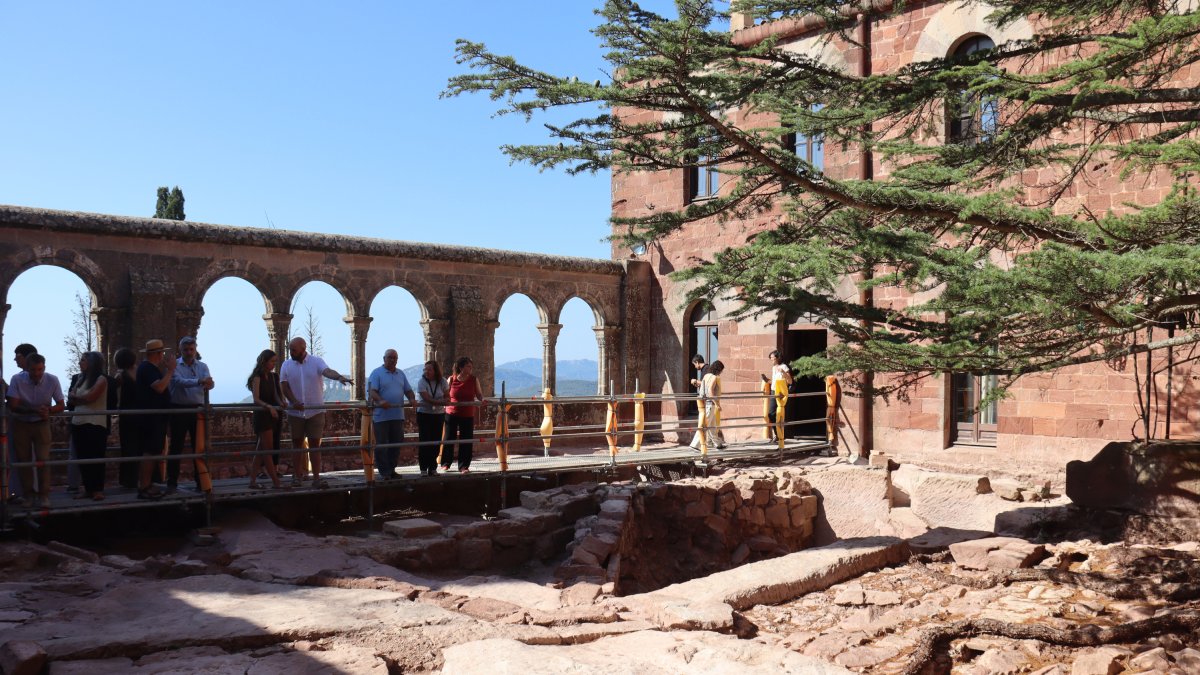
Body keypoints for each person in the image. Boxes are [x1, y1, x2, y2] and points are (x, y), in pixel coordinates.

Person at [280, 337, 352, 489]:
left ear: (303, 349)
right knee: (297, 444)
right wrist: (294, 402)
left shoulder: (316, 361)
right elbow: (284, 386)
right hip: (295, 412)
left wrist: (338, 377)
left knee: (315, 445)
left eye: (294, 350)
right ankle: (297, 476)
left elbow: (327, 371)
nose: (291, 352)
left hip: (315, 411)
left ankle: (316, 478)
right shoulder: (286, 365)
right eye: (290, 349)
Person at [6, 353, 65, 508]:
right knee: (23, 460)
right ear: (27, 369)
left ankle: (44, 495)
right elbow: (13, 404)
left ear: (44, 367)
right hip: (21, 424)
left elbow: (61, 404)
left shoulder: (52, 380)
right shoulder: (17, 379)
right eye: (33, 370)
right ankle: (29, 495)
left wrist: (49, 410)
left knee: (43, 460)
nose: (37, 373)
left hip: (42, 423)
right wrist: (33, 410)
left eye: (40, 369)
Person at [167, 336, 214, 494]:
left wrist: (208, 383)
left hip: (197, 409)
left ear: (195, 349)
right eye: (186, 350)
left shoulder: (202, 366)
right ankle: (171, 482)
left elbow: (208, 382)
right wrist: (199, 381)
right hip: (179, 409)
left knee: (199, 447)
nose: (188, 352)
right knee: (176, 447)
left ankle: (201, 482)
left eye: (191, 349)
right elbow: (179, 382)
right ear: (181, 350)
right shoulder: (176, 367)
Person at [367, 349, 417, 480]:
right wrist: (380, 400)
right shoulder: (377, 373)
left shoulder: (401, 374)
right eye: (390, 357)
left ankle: (392, 469)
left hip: (397, 415)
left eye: (395, 358)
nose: (393, 360)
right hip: (381, 417)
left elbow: (408, 390)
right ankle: (384, 471)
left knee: (396, 443)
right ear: (384, 359)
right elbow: (372, 391)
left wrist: (412, 398)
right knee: (382, 444)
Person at [135, 339, 175, 500]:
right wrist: (171, 371)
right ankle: (144, 487)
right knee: (150, 452)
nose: (163, 355)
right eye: (162, 353)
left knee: (153, 451)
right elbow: (159, 387)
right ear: (158, 354)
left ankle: (147, 485)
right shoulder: (148, 369)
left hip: (154, 418)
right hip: (152, 419)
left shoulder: (147, 368)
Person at [67, 351, 109, 501]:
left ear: (92, 362)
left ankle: (97, 489)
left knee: (95, 457)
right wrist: (79, 399)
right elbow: (71, 398)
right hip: (78, 422)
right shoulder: (80, 378)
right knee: (83, 457)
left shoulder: (101, 379)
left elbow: (92, 397)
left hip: (95, 423)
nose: (80, 363)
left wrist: (78, 398)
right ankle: (88, 489)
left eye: (83, 360)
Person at [246, 349, 284, 490]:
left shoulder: (274, 377)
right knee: (267, 450)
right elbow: (256, 399)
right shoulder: (257, 377)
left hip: (273, 414)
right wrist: (269, 407)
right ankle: (276, 482)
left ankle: (252, 481)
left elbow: (276, 394)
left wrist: (281, 403)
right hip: (262, 415)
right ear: (264, 361)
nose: (274, 364)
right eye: (272, 361)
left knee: (261, 449)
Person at [6, 343, 38, 504]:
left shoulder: (31, 378)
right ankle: (20, 491)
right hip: (21, 421)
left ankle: (28, 492)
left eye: (18, 356)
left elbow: (18, 401)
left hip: (26, 423)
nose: (15, 360)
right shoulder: (20, 378)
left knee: (26, 458)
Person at [442, 356, 483, 473]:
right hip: (452, 412)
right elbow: (445, 395)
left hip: (468, 413)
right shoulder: (451, 379)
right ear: (461, 367)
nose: (471, 369)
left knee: (466, 439)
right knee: (449, 438)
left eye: (471, 367)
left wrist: (482, 400)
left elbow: (479, 394)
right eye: (468, 366)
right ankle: (446, 463)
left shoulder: (474, 379)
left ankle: (464, 466)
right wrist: (445, 401)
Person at [112, 347, 140, 489]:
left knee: (128, 447)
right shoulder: (139, 372)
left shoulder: (121, 375)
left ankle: (129, 480)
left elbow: (111, 390)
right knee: (138, 447)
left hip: (127, 415)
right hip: (140, 414)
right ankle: (137, 479)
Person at [416, 360, 448, 477]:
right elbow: (427, 399)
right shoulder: (421, 382)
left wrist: (443, 401)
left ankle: (432, 468)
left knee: (436, 441)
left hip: (438, 415)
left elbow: (447, 396)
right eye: (425, 369)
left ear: (435, 371)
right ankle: (423, 468)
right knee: (425, 441)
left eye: (429, 369)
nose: (426, 372)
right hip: (424, 414)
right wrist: (441, 402)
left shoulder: (443, 381)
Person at [766, 349, 794, 442]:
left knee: (779, 414)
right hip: (773, 391)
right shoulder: (773, 368)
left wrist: (783, 372)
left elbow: (789, 381)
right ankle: (778, 434)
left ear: (777, 358)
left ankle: (781, 435)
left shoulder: (784, 367)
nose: (771, 359)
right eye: (770, 358)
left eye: (772, 358)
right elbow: (774, 381)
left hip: (781, 393)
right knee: (771, 414)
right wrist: (766, 380)